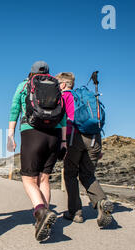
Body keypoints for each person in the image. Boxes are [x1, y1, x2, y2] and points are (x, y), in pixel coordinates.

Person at [7, 61, 67, 242]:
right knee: (44, 178)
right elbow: (63, 114)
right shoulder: (56, 86)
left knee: (28, 178)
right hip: (55, 135)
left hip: (32, 132)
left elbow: (14, 109)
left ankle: (40, 211)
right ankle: (45, 219)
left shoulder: (24, 85)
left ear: (30, 72)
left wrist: (11, 134)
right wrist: (64, 141)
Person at [55, 72, 113, 227]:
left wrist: (62, 143)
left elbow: (62, 121)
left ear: (62, 85)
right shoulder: (86, 98)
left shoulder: (65, 97)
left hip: (74, 138)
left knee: (70, 174)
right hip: (94, 139)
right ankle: (101, 202)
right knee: (88, 175)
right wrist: (98, 148)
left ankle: (75, 212)